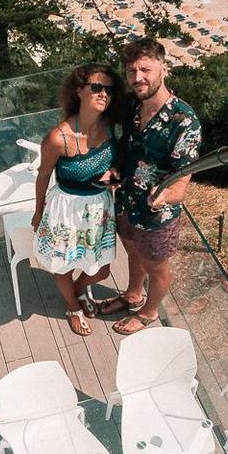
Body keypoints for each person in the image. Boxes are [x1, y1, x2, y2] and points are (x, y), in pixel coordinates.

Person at [101, 38, 201, 335]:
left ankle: (149, 311)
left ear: (163, 69)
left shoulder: (184, 122)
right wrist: (115, 168)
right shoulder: (132, 104)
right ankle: (133, 294)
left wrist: (164, 196)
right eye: (131, 71)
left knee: (157, 268)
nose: (138, 78)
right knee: (133, 252)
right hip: (125, 201)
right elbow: (124, 145)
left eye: (145, 69)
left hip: (156, 216)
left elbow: (182, 183)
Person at [31, 64, 124, 336]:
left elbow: (117, 160)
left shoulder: (110, 127)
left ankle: (79, 289)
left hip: (99, 207)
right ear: (79, 91)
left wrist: (115, 172)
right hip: (67, 208)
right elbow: (43, 176)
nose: (104, 94)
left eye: (109, 90)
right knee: (63, 265)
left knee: (101, 269)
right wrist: (38, 211)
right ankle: (73, 306)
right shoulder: (58, 138)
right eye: (96, 87)